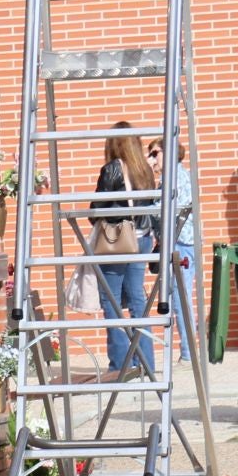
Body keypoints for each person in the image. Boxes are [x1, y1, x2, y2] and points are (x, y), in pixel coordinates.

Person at [90, 124, 157, 375]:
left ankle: (121, 363)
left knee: (111, 300)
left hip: (118, 241)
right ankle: (145, 361)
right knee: (138, 300)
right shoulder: (144, 169)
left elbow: (97, 206)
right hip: (142, 239)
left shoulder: (112, 169)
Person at [150, 138, 196, 361]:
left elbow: (167, 209)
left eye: (155, 153)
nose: (151, 158)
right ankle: (186, 352)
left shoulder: (174, 176)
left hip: (180, 242)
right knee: (177, 297)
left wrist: (145, 206)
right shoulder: (170, 176)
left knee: (180, 298)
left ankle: (188, 354)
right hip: (178, 241)